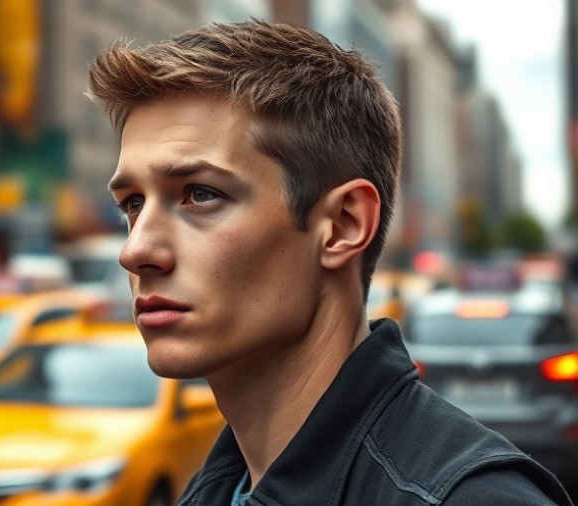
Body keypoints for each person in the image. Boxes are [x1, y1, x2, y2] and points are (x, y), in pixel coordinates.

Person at [87, 20, 572, 505]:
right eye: (132, 204)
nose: (134, 251)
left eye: (200, 195)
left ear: (342, 224)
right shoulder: (214, 492)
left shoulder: (475, 500)